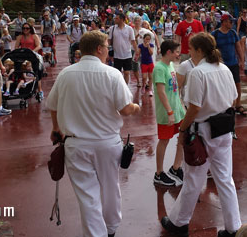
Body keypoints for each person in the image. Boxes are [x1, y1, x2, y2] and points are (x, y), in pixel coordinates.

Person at [47, 31, 140, 237]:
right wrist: (135, 107)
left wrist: (56, 128)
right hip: (107, 142)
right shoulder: (112, 73)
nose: (108, 50)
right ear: (99, 49)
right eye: (107, 46)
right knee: (110, 188)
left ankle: (96, 234)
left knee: (87, 196)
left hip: (76, 144)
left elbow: (52, 105)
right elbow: (125, 108)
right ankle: (111, 228)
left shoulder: (66, 74)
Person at [161, 33, 241, 237]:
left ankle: (180, 222)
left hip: (203, 130)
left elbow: (194, 107)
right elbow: (234, 97)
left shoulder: (198, 73)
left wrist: (182, 129)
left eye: (190, 49)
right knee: (224, 178)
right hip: (223, 128)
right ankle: (233, 227)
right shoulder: (223, 69)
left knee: (194, 178)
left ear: (199, 51)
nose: (188, 53)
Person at [152, 40, 185, 187]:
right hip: (167, 113)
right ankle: (159, 173)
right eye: (176, 52)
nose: (178, 54)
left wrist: (180, 106)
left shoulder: (170, 65)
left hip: (177, 110)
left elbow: (175, 89)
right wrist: (169, 111)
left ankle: (176, 167)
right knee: (164, 141)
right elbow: (161, 91)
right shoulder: (159, 68)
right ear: (168, 52)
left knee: (184, 136)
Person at [212, 14, 246, 116]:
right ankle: (224, 105)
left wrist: (241, 61)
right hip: (220, 65)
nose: (232, 24)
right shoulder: (215, 34)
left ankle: (238, 104)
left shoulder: (233, 33)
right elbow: (211, 49)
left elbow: (238, 47)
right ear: (224, 22)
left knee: (237, 83)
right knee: (221, 85)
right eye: (230, 22)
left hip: (233, 62)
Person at [108, 13, 137, 84]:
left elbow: (133, 41)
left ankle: (125, 87)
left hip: (127, 54)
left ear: (122, 19)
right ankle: (118, 87)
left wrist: (137, 52)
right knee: (117, 73)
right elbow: (109, 41)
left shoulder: (129, 29)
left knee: (127, 72)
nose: (115, 20)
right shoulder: (112, 28)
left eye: (117, 18)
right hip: (117, 55)